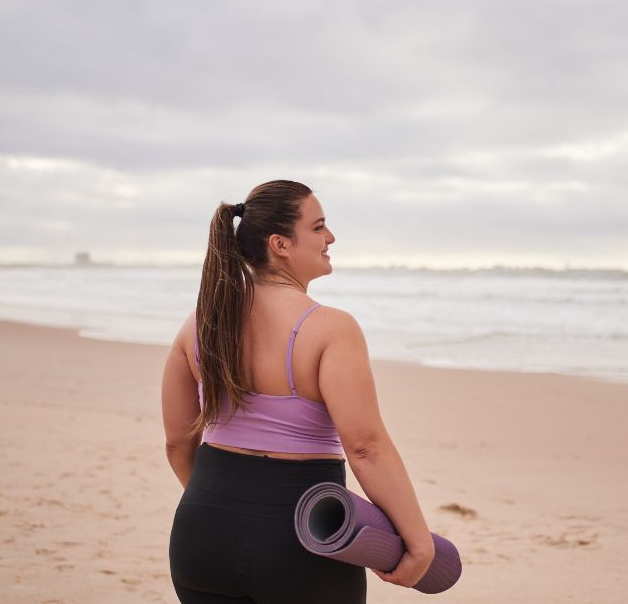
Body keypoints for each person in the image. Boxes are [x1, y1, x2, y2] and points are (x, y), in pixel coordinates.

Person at [162, 180, 435, 603]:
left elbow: (178, 442)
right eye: (319, 226)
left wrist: (221, 508)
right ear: (280, 244)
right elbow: (365, 446)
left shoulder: (200, 323)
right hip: (300, 544)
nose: (331, 238)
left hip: (200, 533)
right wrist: (418, 540)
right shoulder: (330, 328)